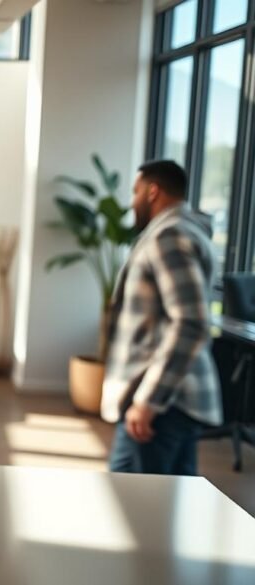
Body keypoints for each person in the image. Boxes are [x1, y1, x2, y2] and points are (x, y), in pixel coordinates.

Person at [103, 160, 221, 476]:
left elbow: (191, 323)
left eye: (136, 191)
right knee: (170, 506)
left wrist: (148, 402)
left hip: (163, 403)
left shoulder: (168, 237)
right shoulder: (187, 232)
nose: (132, 202)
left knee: (130, 505)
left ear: (153, 192)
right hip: (177, 400)